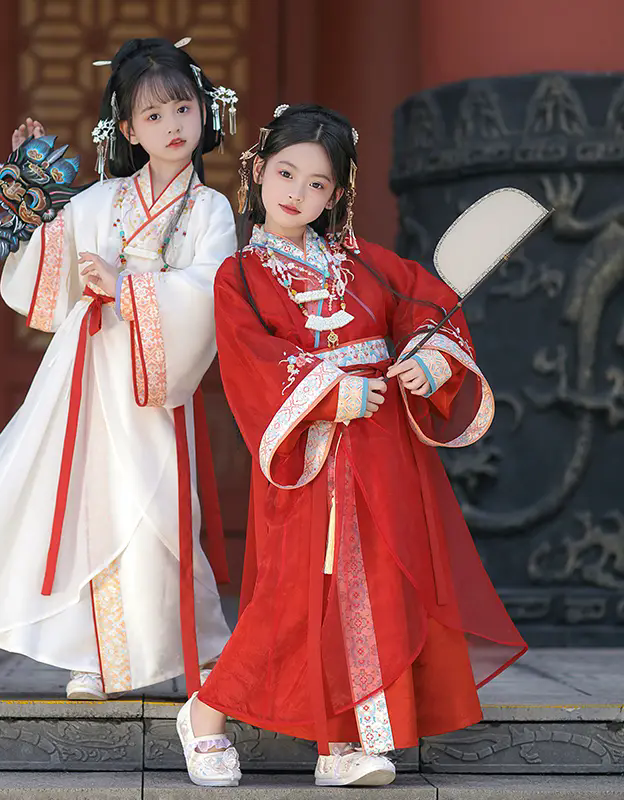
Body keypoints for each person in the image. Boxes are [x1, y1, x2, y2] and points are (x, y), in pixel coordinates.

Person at [175, 104, 526, 788]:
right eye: (284, 173)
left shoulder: (366, 263)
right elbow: (252, 360)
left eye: (316, 184)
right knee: (294, 599)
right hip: (310, 458)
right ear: (256, 170)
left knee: (377, 590)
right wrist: (331, 392)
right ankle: (207, 712)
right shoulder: (239, 276)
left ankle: (345, 743)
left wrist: (431, 356)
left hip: (383, 451)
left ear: (336, 195)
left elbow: (425, 305)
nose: (295, 194)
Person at [0, 37, 239, 702]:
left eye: (183, 109)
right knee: (83, 502)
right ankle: (93, 653)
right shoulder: (100, 200)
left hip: (151, 375)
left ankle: (189, 646)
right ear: (129, 130)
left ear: (205, 115)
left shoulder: (212, 210)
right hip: (87, 370)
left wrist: (129, 288)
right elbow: (46, 261)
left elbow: (209, 290)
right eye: (155, 116)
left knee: (159, 506)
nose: (172, 126)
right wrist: (31, 177)